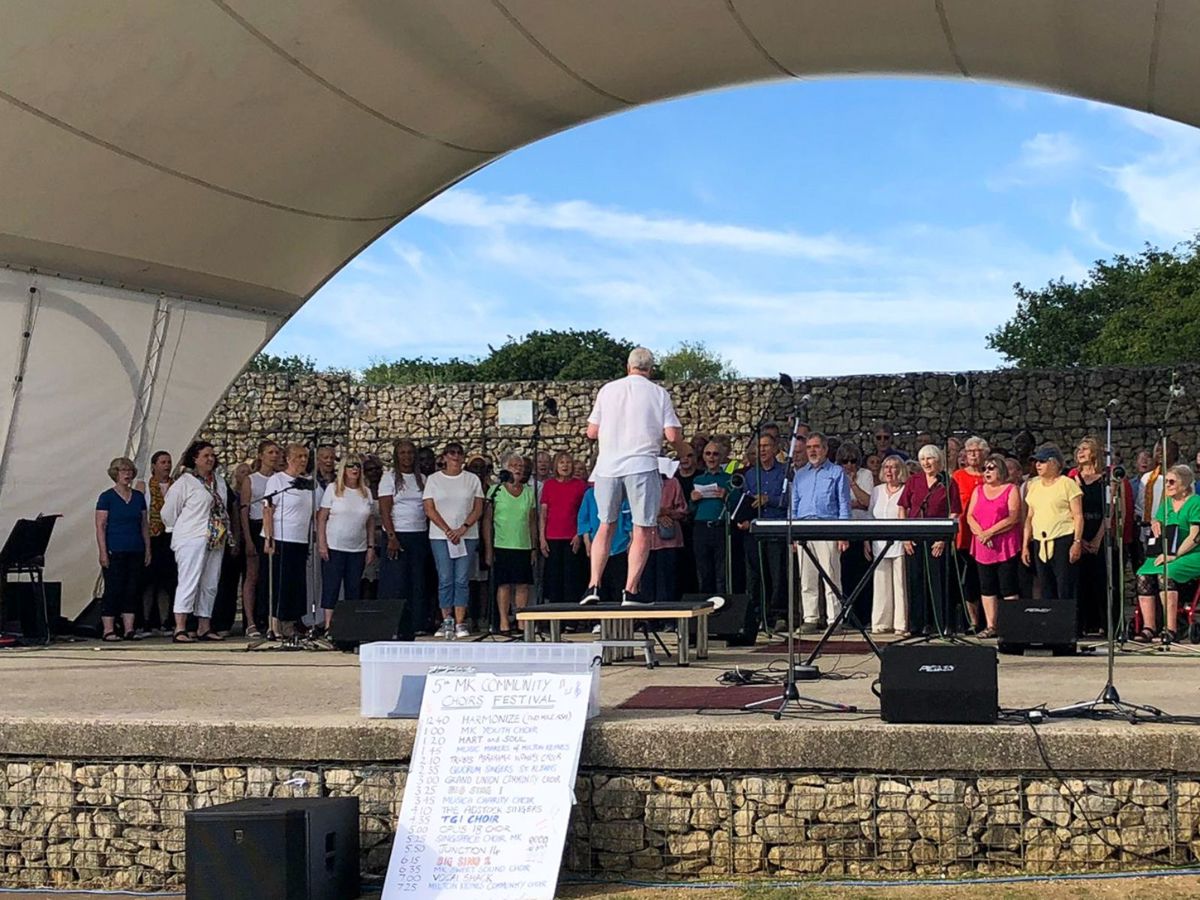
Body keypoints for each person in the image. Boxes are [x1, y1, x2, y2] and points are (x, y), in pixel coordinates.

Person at [580, 347, 687, 607]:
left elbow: (591, 432)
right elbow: (672, 436)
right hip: (641, 464)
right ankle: (630, 590)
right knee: (642, 528)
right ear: (650, 369)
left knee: (606, 525)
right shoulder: (658, 393)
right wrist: (684, 451)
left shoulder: (608, 390)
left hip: (607, 467)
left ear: (628, 367)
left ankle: (593, 585)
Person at [161, 441, 232, 642]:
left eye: (212, 455)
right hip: (191, 537)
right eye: (205, 456)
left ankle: (204, 626)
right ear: (195, 459)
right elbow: (168, 511)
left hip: (215, 537)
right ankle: (181, 627)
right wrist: (178, 529)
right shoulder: (185, 482)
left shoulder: (218, 481)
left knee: (210, 583)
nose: (210, 459)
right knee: (189, 580)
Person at [423, 441, 484, 639]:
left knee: (461, 579)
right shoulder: (433, 480)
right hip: (441, 536)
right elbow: (429, 508)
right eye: (451, 453)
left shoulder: (472, 479)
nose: (455, 457)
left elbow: (478, 508)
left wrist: (462, 528)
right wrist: (448, 530)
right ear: (444, 457)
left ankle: (460, 621)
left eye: (459, 453)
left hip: (467, 535)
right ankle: (446, 619)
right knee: (445, 579)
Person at [1133, 465, 1200, 643]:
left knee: (1166, 573)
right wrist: (1156, 521)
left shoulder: (1196, 503)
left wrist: (1174, 555)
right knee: (1142, 575)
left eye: (1172, 481)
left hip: (1190, 552)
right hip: (1166, 552)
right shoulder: (1167, 503)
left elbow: (1195, 537)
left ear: (1185, 485)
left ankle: (1170, 629)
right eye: (1166, 482)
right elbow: (1160, 522)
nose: (1167, 485)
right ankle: (1149, 627)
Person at [898, 445, 960, 636]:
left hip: (937, 538)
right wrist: (905, 537)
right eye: (923, 459)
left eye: (930, 459)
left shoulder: (948, 482)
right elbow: (903, 507)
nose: (926, 463)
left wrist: (943, 538)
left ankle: (939, 624)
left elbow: (954, 512)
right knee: (916, 580)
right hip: (915, 536)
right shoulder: (914, 481)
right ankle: (917, 625)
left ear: (939, 461)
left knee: (937, 580)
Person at [791, 434, 851, 632]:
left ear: (825, 449)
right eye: (809, 447)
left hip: (828, 528)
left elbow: (844, 504)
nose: (812, 451)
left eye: (816, 447)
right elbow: (794, 505)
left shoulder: (836, 472)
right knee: (806, 577)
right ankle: (810, 617)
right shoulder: (800, 474)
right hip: (804, 529)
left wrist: (843, 533)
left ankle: (835, 619)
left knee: (831, 575)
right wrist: (792, 534)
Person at [735, 432, 788, 641]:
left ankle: (778, 614)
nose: (763, 450)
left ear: (775, 449)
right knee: (756, 575)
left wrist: (769, 500)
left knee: (777, 574)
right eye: (760, 447)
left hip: (776, 528)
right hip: (755, 530)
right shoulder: (750, 475)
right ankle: (757, 614)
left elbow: (789, 499)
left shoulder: (784, 472)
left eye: (767, 446)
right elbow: (746, 501)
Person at [316, 454, 376, 631]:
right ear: (343, 469)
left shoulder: (366, 492)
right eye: (350, 466)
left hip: (358, 547)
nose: (354, 469)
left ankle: (350, 625)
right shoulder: (333, 489)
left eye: (357, 466)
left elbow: (370, 521)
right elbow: (322, 518)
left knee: (353, 587)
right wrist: (322, 543)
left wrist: (371, 546)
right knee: (331, 586)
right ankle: (328, 625)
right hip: (334, 545)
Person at [966, 453, 1022, 637]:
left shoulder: (1010, 489)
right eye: (985, 469)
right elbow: (970, 516)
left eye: (991, 468)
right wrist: (981, 534)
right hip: (983, 545)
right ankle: (991, 626)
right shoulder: (978, 490)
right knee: (986, 585)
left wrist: (990, 532)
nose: (987, 472)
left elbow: (1013, 517)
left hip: (1004, 544)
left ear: (1001, 470)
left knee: (1008, 585)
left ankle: (1012, 625)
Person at [378, 440, 428, 641]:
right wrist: (392, 536)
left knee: (416, 582)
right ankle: (393, 624)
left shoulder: (422, 479)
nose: (406, 456)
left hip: (419, 533)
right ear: (396, 456)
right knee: (396, 582)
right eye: (402, 453)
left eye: (410, 453)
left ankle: (415, 624)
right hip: (397, 534)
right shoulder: (388, 478)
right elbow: (384, 509)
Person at [262, 443, 314, 636]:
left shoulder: (307, 483)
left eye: (305, 457)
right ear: (289, 459)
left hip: (300, 539)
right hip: (281, 537)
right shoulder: (278, 481)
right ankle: (275, 624)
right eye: (299, 456)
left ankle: (294, 621)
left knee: (297, 583)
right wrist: (269, 538)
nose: (303, 460)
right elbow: (268, 509)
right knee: (280, 582)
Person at [95, 456, 150, 641]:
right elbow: (101, 525)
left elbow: (144, 524)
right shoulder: (106, 497)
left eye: (129, 471)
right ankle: (108, 629)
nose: (126, 474)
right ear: (115, 474)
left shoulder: (138, 497)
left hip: (135, 548)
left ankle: (129, 628)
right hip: (115, 549)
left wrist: (147, 549)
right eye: (122, 471)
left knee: (132, 588)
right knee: (113, 588)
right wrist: (103, 551)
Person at [1021, 445, 1084, 603]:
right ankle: (1051, 624)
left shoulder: (1067, 483)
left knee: (1065, 586)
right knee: (1045, 586)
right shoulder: (1033, 486)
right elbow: (1029, 517)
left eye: (1042, 461)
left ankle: (1068, 625)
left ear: (1054, 463)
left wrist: (1077, 542)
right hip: (1040, 541)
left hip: (1062, 539)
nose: (1038, 465)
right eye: (1036, 462)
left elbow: (1078, 515)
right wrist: (1025, 546)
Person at [483, 453, 536, 635]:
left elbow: (531, 522)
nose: (518, 469)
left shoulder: (529, 492)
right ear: (505, 468)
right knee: (504, 584)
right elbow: (487, 522)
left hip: (523, 544)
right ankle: (504, 621)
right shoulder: (495, 491)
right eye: (514, 465)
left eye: (520, 466)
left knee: (522, 585)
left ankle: (521, 622)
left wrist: (533, 547)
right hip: (502, 544)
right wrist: (489, 550)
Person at [239, 439, 279, 638]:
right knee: (253, 575)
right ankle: (251, 621)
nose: (274, 456)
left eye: (276, 453)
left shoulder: (279, 479)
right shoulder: (251, 480)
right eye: (270, 452)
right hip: (256, 527)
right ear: (261, 455)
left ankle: (270, 619)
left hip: (274, 528)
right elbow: (245, 510)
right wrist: (247, 538)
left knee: (270, 576)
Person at [539, 451, 588, 605]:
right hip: (552, 537)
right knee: (554, 579)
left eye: (568, 462)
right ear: (556, 465)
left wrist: (579, 534)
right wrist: (542, 538)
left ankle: (571, 620)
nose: (565, 465)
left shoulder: (580, 486)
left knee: (572, 579)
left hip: (572, 538)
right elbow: (544, 513)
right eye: (561, 462)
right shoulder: (549, 485)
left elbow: (583, 512)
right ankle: (555, 617)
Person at [1071, 437, 1109, 635]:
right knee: (1080, 581)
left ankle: (1103, 623)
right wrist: (1081, 540)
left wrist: (1096, 540)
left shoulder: (1106, 480)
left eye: (1085, 448)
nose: (1080, 451)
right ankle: (1081, 625)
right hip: (1079, 535)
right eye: (1079, 448)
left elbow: (1109, 513)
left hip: (1100, 534)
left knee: (1100, 581)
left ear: (1094, 453)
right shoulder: (1073, 479)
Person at [951, 436, 989, 632]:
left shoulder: (990, 475)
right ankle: (973, 621)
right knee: (969, 580)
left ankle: (990, 621)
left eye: (978, 451)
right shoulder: (957, 476)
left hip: (988, 535)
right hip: (965, 535)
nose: (973, 454)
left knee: (987, 579)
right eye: (970, 451)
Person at [867, 456, 908, 635]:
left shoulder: (906, 490)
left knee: (899, 585)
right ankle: (881, 623)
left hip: (899, 543)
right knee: (881, 584)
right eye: (887, 467)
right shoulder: (877, 491)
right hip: (879, 543)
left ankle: (901, 624)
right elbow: (870, 516)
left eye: (894, 467)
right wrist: (866, 541)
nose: (890, 471)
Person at [139, 449, 175, 634]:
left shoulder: (176, 485)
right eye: (163, 462)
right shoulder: (145, 486)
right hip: (151, 536)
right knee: (148, 582)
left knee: (166, 582)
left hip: (170, 536)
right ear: (154, 466)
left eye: (169, 462)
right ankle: (146, 621)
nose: (167, 465)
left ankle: (165, 620)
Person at [690, 442, 734, 595]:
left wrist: (726, 496)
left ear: (721, 457)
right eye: (708, 454)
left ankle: (722, 604)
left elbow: (736, 505)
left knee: (722, 572)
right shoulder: (698, 480)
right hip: (701, 528)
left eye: (715, 454)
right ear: (703, 456)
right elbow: (690, 510)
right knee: (703, 570)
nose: (711, 457)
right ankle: (705, 606)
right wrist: (693, 500)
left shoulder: (729, 479)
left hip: (720, 527)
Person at [211, 464, 246, 636]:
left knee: (227, 582)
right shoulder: (191, 482)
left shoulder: (221, 484)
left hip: (223, 537)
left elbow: (233, 510)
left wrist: (236, 538)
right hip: (202, 538)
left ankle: (223, 621)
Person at [643, 472, 686, 604]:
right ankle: (648, 620)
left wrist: (666, 512)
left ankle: (668, 620)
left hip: (668, 540)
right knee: (646, 584)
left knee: (668, 583)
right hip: (645, 541)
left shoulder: (673, 483)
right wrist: (656, 514)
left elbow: (683, 511)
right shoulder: (640, 482)